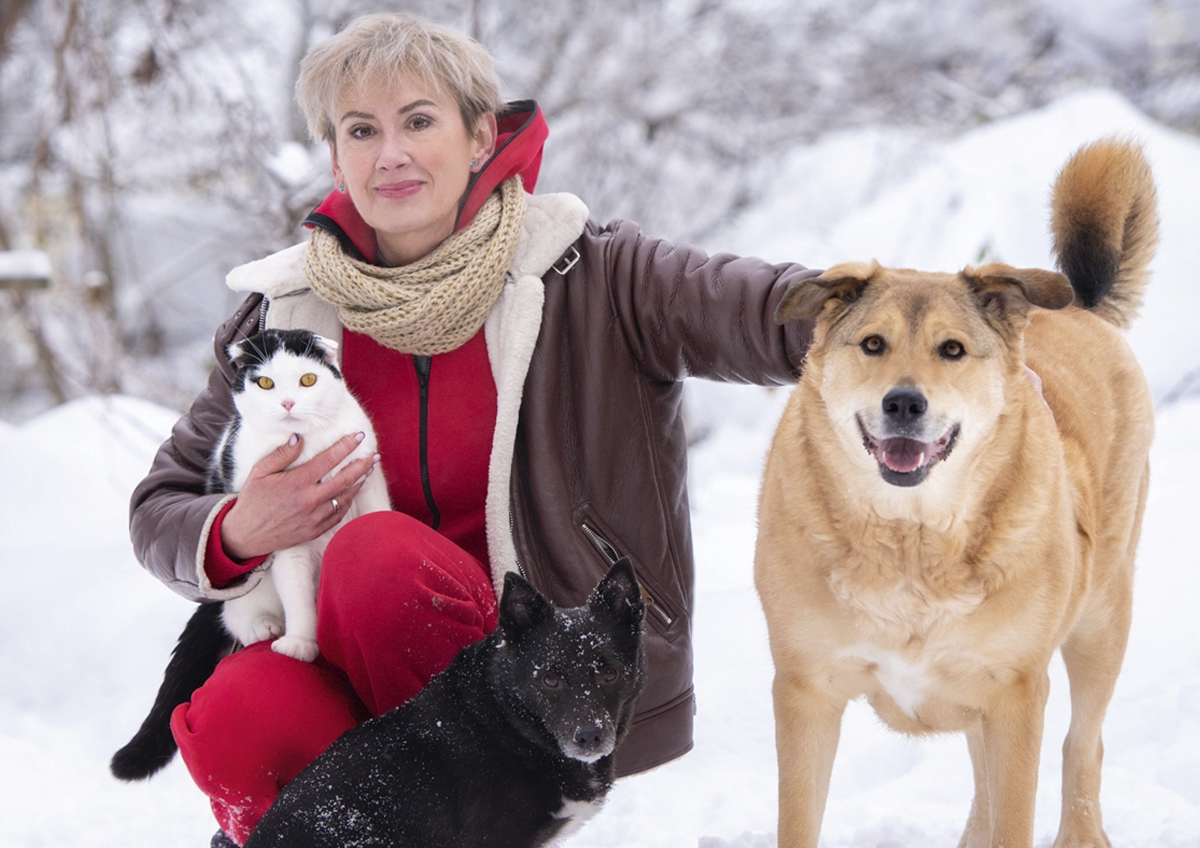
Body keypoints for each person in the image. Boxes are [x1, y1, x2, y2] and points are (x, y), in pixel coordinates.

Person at [129, 12, 816, 846]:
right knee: (230, 714)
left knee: (374, 557)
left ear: (481, 134)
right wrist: (236, 527)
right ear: (334, 154)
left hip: (537, 669)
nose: (392, 154)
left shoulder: (590, 271)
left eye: (420, 121)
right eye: (361, 130)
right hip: (357, 667)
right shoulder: (289, 314)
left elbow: (770, 312)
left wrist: (937, 329)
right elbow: (160, 506)